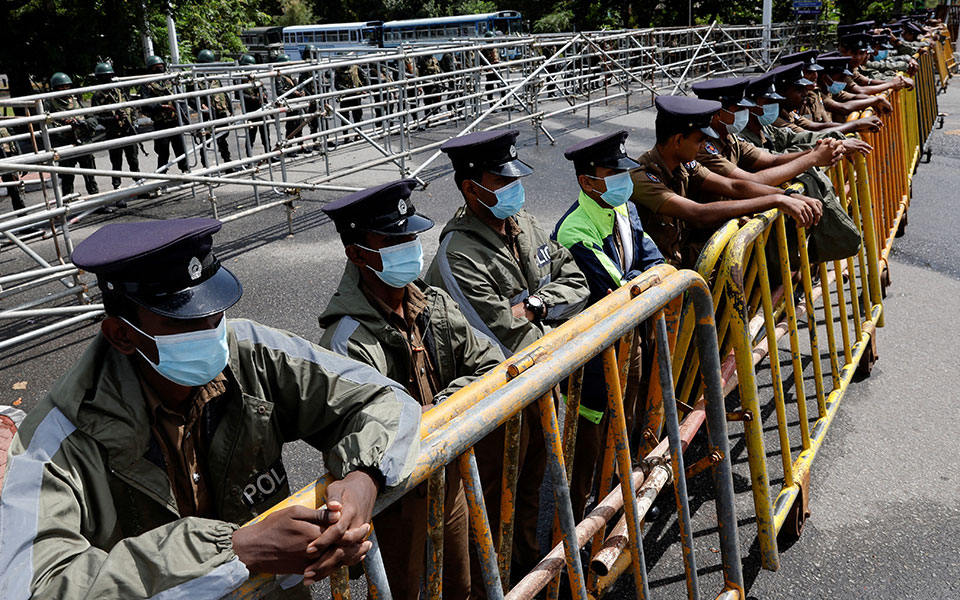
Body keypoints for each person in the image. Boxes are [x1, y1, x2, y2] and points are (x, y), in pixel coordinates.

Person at [0, 217, 421, 599]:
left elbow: (385, 398)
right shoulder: (56, 440)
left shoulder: (250, 350)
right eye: (181, 322)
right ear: (121, 336)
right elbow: (28, 586)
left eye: (214, 311)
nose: (210, 332)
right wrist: (233, 551)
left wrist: (363, 476)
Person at [319, 179, 505, 599]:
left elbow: (489, 361)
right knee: (400, 589)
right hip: (393, 498)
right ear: (356, 253)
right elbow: (365, 430)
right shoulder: (347, 340)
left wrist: (437, 407)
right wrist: (439, 413)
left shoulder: (430, 303)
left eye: (411, 236)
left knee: (460, 580)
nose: (409, 247)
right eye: (392, 240)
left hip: (448, 472)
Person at [424, 130, 590, 593]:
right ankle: (491, 585)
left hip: (539, 388)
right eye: (502, 181)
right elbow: (507, 338)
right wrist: (556, 326)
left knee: (532, 491)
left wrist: (536, 305)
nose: (514, 189)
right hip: (494, 404)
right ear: (470, 186)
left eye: (514, 178)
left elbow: (575, 280)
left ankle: (524, 575)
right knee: (494, 500)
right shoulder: (459, 254)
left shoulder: (525, 223)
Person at [552, 131, 664, 519]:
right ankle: (577, 524)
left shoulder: (623, 208)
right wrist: (643, 279)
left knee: (629, 417)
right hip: (593, 357)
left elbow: (656, 260)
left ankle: (618, 497)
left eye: (624, 171)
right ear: (587, 182)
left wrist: (643, 278)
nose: (623, 180)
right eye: (613, 173)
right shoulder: (574, 229)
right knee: (588, 441)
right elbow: (616, 288)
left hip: (628, 339)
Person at [628, 96, 822, 268]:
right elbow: (697, 213)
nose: (704, 145)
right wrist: (775, 201)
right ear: (678, 141)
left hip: (685, 263)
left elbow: (734, 186)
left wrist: (787, 195)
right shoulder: (642, 177)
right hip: (660, 274)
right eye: (700, 140)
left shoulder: (685, 164)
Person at [690, 77, 843, 192]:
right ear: (717, 114)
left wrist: (816, 152)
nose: (745, 113)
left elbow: (773, 161)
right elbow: (752, 181)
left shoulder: (731, 138)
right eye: (739, 110)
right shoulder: (703, 147)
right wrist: (812, 158)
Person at [771, 62, 883, 136]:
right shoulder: (774, 117)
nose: (805, 93)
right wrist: (855, 125)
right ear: (781, 93)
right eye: (799, 90)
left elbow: (816, 126)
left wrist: (857, 124)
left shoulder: (788, 111)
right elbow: (809, 135)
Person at [48, 72, 102, 202]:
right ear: (55, 88)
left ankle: (96, 202)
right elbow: (48, 128)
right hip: (66, 145)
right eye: (61, 87)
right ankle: (68, 205)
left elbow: (91, 116)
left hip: (83, 142)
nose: (65, 89)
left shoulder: (76, 99)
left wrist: (86, 124)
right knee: (67, 177)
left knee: (90, 174)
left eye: (67, 86)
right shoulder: (50, 103)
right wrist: (65, 128)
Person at [91, 62, 140, 202]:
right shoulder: (97, 97)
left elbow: (131, 106)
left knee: (134, 161)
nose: (107, 78)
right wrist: (114, 118)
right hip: (113, 132)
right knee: (116, 163)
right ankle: (117, 189)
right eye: (103, 77)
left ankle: (139, 185)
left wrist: (133, 122)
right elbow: (97, 117)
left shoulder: (119, 91)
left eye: (109, 76)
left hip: (127, 130)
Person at [140, 55, 191, 174]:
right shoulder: (146, 85)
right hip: (160, 123)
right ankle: (161, 175)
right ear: (150, 69)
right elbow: (146, 105)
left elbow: (181, 99)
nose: (159, 69)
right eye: (156, 67)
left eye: (161, 67)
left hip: (175, 121)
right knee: (162, 151)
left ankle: (185, 170)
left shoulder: (169, 81)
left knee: (180, 149)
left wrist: (184, 117)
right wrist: (164, 106)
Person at [194, 49, 233, 167]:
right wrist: (202, 106)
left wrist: (230, 108)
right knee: (205, 141)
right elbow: (191, 98)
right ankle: (206, 167)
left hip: (220, 112)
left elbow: (224, 93)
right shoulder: (195, 79)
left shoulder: (214, 77)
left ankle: (227, 163)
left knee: (222, 138)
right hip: (206, 114)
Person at [237, 53, 270, 156]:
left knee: (265, 133)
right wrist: (254, 99)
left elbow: (264, 89)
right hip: (250, 110)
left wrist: (264, 94)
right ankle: (249, 157)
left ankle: (268, 154)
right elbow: (239, 95)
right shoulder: (239, 79)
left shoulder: (255, 77)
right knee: (251, 135)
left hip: (261, 109)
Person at [273, 54, 306, 156]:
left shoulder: (289, 76)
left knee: (300, 124)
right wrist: (294, 93)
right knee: (291, 127)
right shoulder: (280, 77)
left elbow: (297, 87)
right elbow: (280, 91)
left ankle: (300, 145)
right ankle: (290, 149)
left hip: (296, 103)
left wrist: (301, 91)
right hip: (289, 104)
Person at [0, 125, 26, 214]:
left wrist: (21, 158)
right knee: (14, 190)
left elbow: (13, 136)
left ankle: (23, 220)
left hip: (9, 155)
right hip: (3, 157)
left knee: (15, 190)